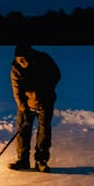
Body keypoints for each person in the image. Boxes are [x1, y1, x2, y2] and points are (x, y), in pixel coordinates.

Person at [9, 44, 61, 172]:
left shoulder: (44, 60)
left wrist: (45, 88)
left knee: (43, 132)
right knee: (23, 131)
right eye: (18, 60)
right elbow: (17, 92)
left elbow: (56, 75)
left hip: (45, 102)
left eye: (23, 59)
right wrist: (24, 108)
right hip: (27, 104)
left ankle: (41, 161)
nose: (21, 62)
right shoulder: (16, 69)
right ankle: (23, 160)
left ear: (30, 56)